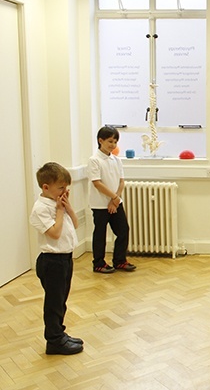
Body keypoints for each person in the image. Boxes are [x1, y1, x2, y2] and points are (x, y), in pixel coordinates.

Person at [29, 162, 84, 355]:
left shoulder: (57, 203)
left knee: (61, 300)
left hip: (65, 259)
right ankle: (53, 341)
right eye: (61, 187)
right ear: (46, 187)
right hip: (51, 262)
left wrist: (67, 208)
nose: (65, 191)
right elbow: (54, 233)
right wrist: (59, 211)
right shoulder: (41, 209)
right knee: (53, 303)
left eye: (66, 187)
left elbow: (75, 224)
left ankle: (59, 333)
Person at [88, 126, 136, 273]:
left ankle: (119, 260)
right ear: (100, 140)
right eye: (110, 141)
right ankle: (98, 263)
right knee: (100, 234)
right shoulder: (94, 160)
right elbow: (97, 183)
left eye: (115, 141)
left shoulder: (116, 160)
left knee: (123, 230)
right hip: (100, 205)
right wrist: (114, 197)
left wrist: (116, 199)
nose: (113, 144)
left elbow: (121, 181)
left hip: (115, 203)